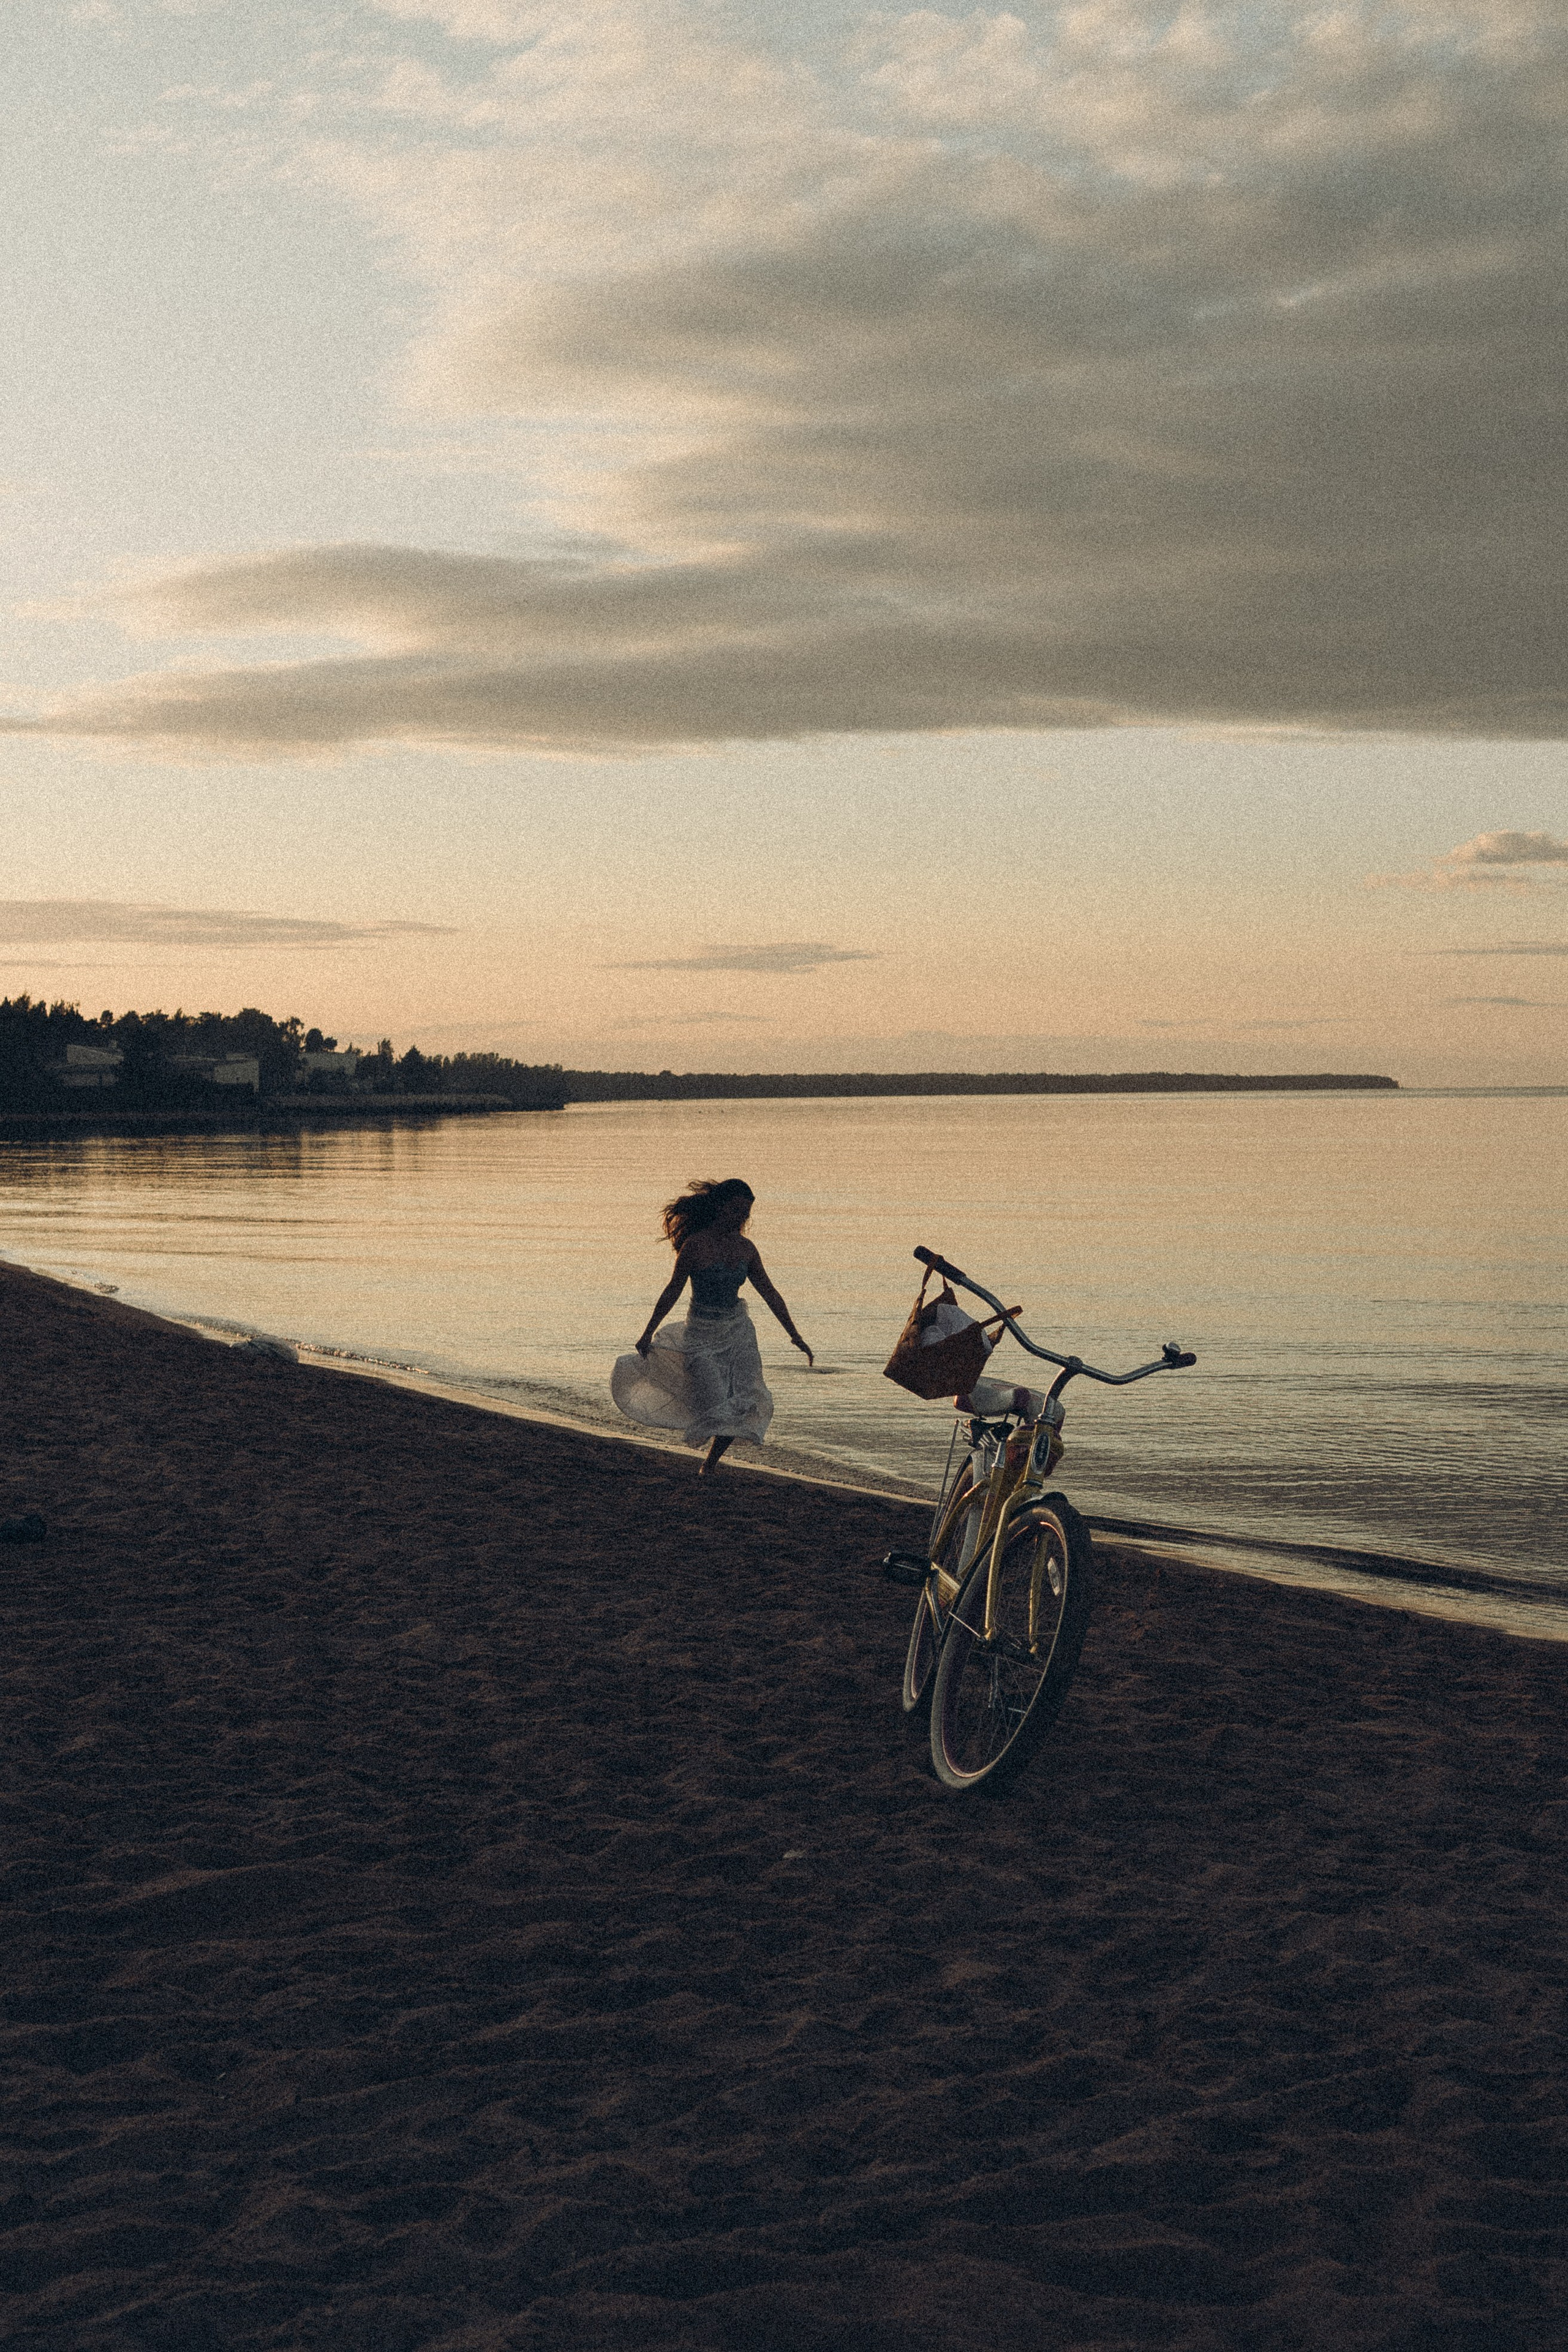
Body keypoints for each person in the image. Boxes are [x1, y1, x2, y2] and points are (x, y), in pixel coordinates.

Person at [610, 1177, 813, 1477]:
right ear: (720, 1207)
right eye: (736, 1211)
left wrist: (794, 1335)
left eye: (746, 1214)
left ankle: (710, 1465)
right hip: (701, 1334)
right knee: (715, 1401)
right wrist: (648, 1331)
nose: (741, 1219)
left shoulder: (746, 1249)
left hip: (738, 1332)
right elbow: (672, 1290)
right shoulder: (695, 1246)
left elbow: (770, 1292)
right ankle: (706, 1451)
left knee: (744, 1401)